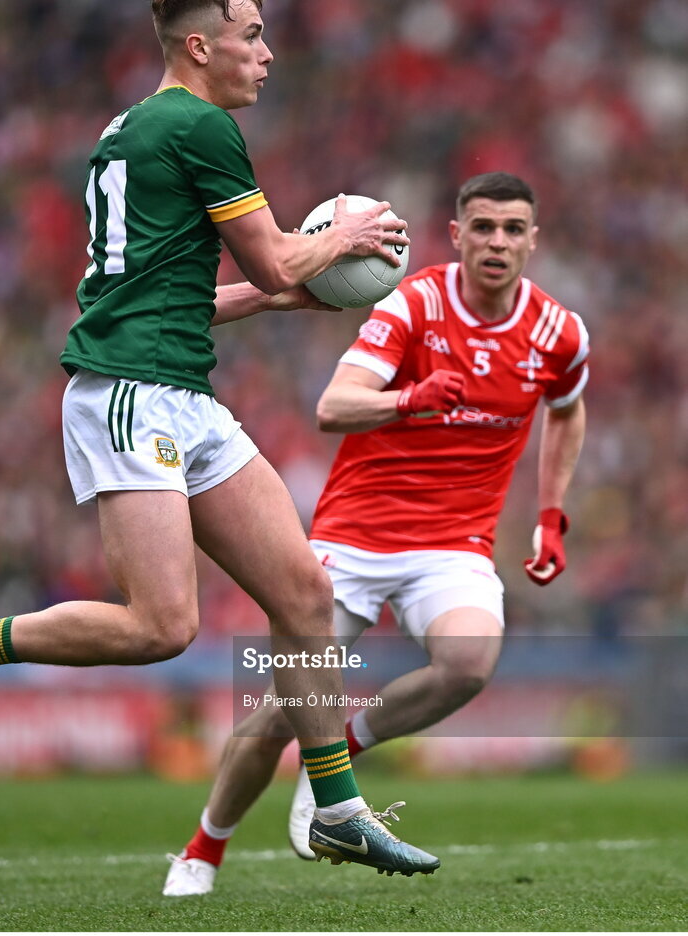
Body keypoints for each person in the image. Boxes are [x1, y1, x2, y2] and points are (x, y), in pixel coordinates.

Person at [0, 0, 441, 881]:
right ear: (201, 45)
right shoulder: (199, 126)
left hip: (177, 387)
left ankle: (338, 807)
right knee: (160, 626)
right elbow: (275, 261)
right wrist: (338, 240)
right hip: (127, 391)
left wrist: (274, 298)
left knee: (305, 595)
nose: (267, 54)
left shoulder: (132, 129)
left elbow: (166, 291)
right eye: (251, 36)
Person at [162, 170, 588, 896]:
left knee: (469, 663)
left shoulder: (558, 331)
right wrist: (413, 399)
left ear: (532, 241)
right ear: (457, 236)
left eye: (512, 230)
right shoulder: (412, 303)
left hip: (454, 544)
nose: (497, 242)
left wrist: (550, 516)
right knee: (274, 716)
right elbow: (335, 405)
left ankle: (341, 754)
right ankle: (201, 852)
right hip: (353, 537)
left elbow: (568, 411)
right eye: (482, 227)